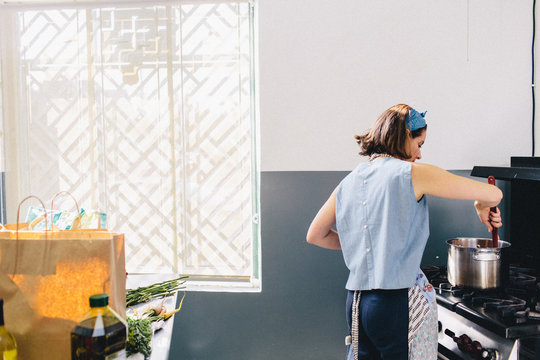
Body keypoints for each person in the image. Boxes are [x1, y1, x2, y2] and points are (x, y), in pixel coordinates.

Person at [306, 104, 503, 360]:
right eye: (419, 143)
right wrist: (480, 205)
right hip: (394, 303)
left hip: (356, 303)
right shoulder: (413, 174)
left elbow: (316, 235)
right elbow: (494, 193)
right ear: (404, 137)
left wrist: (367, 244)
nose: (419, 154)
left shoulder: (352, 179)